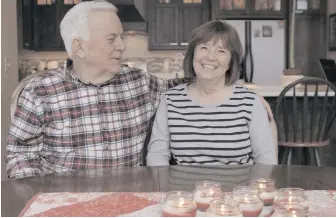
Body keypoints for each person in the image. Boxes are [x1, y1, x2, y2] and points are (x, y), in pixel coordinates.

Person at [6, 1, 274, 179]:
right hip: (68, 201)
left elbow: (189, 86)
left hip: (130, 198)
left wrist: (244, 95)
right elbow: (19, 155)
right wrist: (42, 195)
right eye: (112, 39)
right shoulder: (39, 93)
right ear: (79, 47)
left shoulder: (139, 82)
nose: (122, 46)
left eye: (121, 37)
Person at [146, 20, 277, 166]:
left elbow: (266, 161)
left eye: (221, 51)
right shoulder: (170, 101)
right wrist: (164, 186)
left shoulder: (250, 103)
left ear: (231, 62)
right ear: (192, 54)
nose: (210, 56)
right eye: (204, 47)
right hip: (185, 187)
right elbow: (157, 154)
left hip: (238, 188)